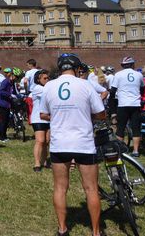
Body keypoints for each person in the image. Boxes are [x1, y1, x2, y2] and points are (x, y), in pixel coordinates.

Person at [40, 54, 105, 236]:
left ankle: (62, 228)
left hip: (60, 142)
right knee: (91, 188)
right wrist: (86, 115)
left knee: (60, 187)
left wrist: (59, 115)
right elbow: (101, 113)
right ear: (77, 69)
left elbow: (43, 114)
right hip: (83, 141)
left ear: (59, 69)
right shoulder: (85, 85)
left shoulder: (49, 86)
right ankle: (96, 232)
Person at [110, 56, 145, 157]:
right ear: (133, 64)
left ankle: (120, 151)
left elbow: (113, 91)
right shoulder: (139, 74)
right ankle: (136, 151)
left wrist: (113, 104)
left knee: (120, 128)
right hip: (135, 104)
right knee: (136, 128)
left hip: (123, 104)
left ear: (122, 65)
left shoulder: (118, 74)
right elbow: (142, 88)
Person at [30, 69, 51, 172]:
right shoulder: (38, 88)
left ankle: (44, 161)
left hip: (47, 118)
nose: (47, 80)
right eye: (45, 78)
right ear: (38, 79)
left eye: (48, 78)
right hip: (38, 118)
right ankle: (37, 163)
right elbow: (49, 95)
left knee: (47, 141)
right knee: (40, 140)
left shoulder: (46, 87)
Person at [0, 68, 18, 143]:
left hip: (8, 104)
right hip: (2, 104)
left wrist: (15, 95)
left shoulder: (12, 82)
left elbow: (14, 92)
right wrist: (10, 95)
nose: (16, 79)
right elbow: (1, 92)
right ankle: (1, 137)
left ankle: (4, 136)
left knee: (6, 121)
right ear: (12, 75)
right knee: (3, 121)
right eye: (16, 77)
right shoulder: (5, 82)